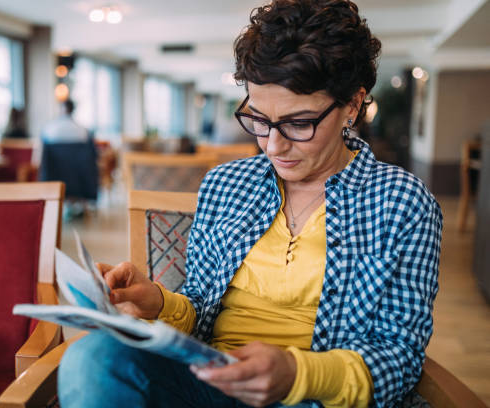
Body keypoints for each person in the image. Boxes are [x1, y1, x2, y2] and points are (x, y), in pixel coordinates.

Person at [58, 0, 443, 407]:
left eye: (299, 123)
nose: (273, 145)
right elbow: (201, 310)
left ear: (352, 104)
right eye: (259, 119)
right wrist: (158, 301)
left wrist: (298, 375)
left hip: (316, 396)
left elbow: (399, 357)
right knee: (93, 356)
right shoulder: (227, 184)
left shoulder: (402, 203)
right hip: (210, 383)